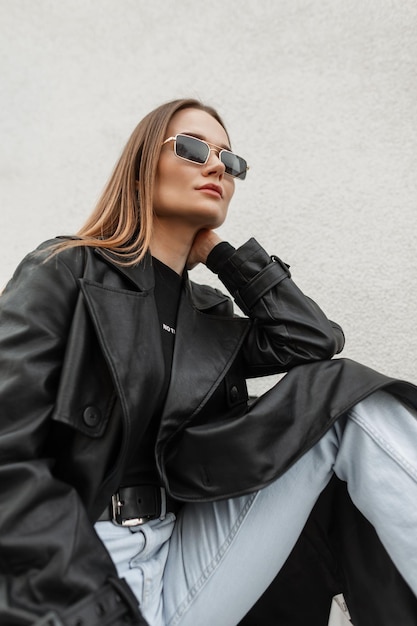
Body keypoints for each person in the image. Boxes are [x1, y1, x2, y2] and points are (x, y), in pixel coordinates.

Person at [0, 97, 416, 626]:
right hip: (80, 563)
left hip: (182, 553)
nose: (218, 165)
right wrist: (91, 601)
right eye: (195, 149)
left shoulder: (210, 315)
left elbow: (311, 341)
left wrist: (223, 258)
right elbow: (7, 454)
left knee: (347, 405)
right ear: (143, 163)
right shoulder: (66, 271)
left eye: (230, 159)